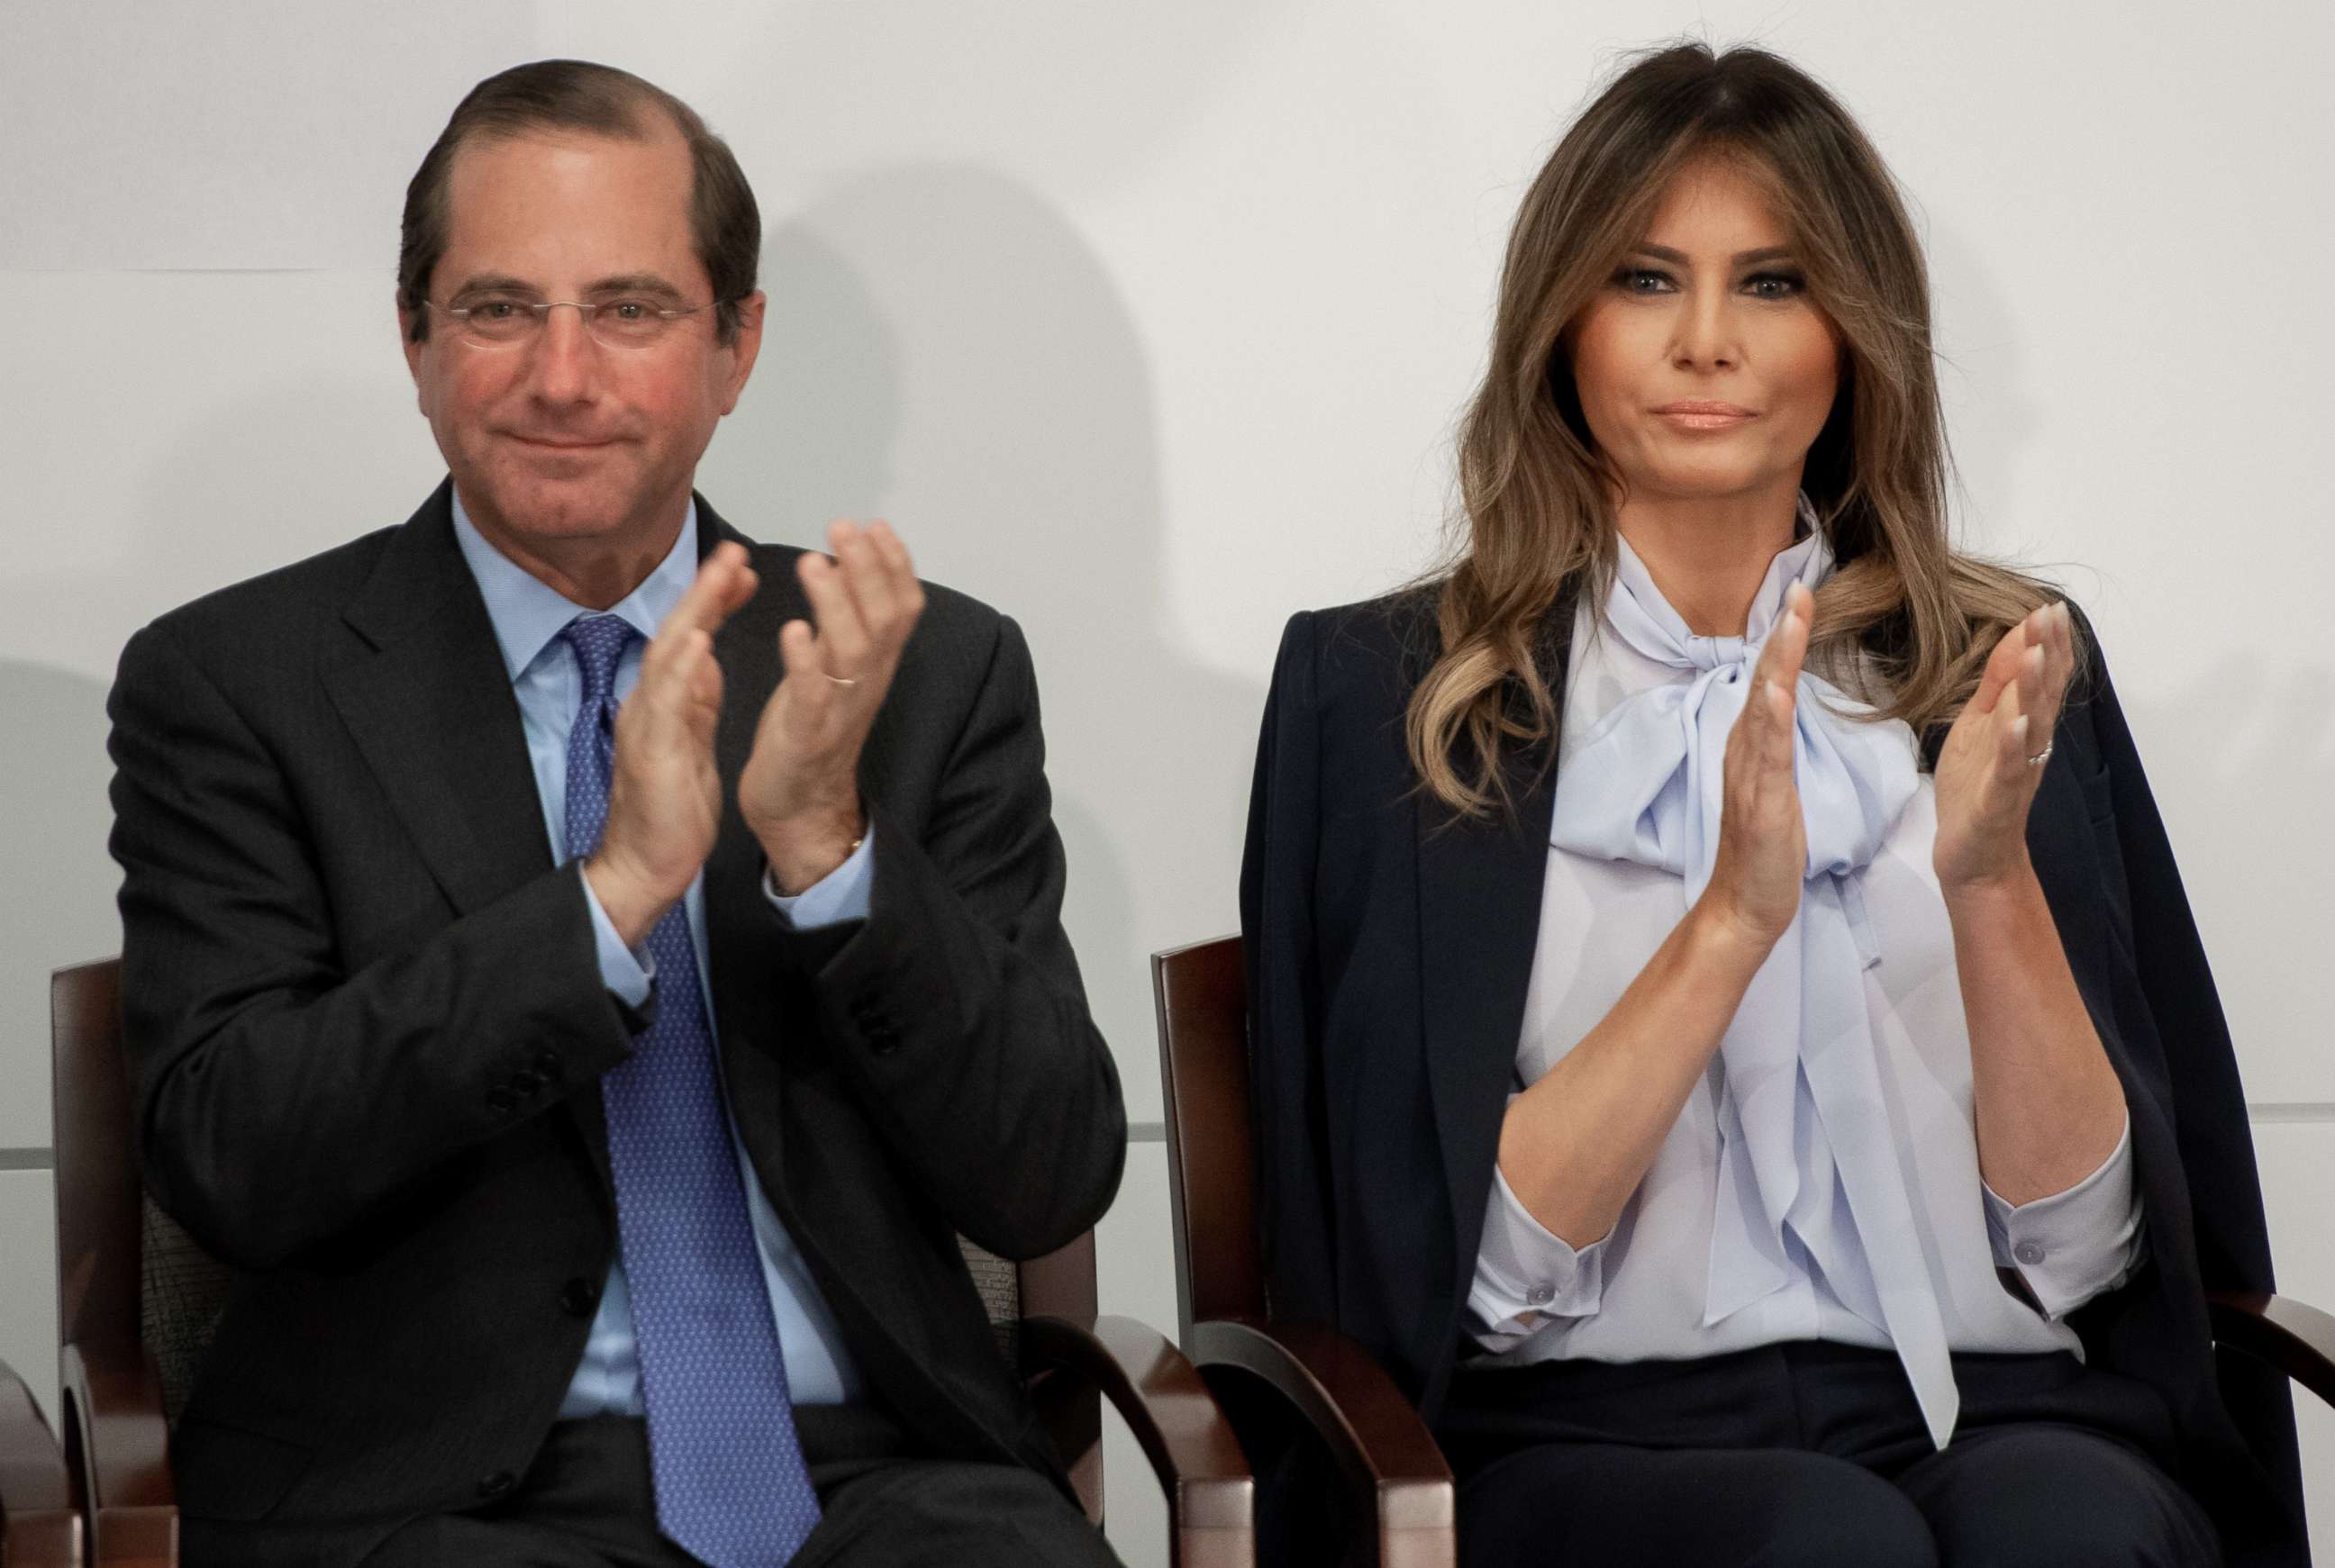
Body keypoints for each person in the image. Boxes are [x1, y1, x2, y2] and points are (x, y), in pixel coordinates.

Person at [1240, 41, 2304, 1568]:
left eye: (1774, 283)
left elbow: (2085, 1262)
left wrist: (1991, 875)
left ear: (1859, 335)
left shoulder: (2000, 667)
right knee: (1823, 1546)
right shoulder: (1388, 695)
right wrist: (1731, 924)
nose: (1708, 345)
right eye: (1648, 279)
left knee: (2074, 1534)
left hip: (1996, 1409)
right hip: (1578, 1435)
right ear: (1562, 325)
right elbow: (1468, 1284)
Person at [105, 59, 1126, 1568]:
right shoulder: (239, 683)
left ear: (737, 345)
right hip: (436, 1497)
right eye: (498, 308)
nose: (561, 375)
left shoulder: (915, 669)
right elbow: (232, 1156)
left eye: (632, 310)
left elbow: (1044, 1172)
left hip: (881, 1481)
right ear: (415, 337)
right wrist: (607, 901)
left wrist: (834, 854)